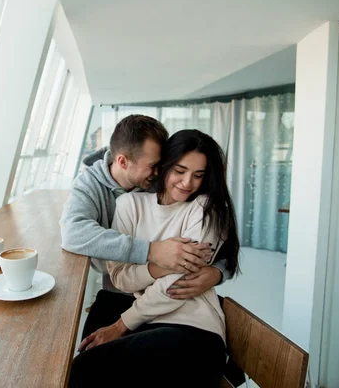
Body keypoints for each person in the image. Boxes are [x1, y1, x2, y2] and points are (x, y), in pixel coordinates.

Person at [68, 129, 240, 387]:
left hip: (194, 330)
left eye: (199, 175)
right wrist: (160, 265)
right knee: (85, 366)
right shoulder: (129, 205)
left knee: (85, 370)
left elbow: (179, 284)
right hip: (147, 321)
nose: (188, 183)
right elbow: (120, 279)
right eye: (180, 171)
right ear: (164, 166)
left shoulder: (205, 208)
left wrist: (121, 325)